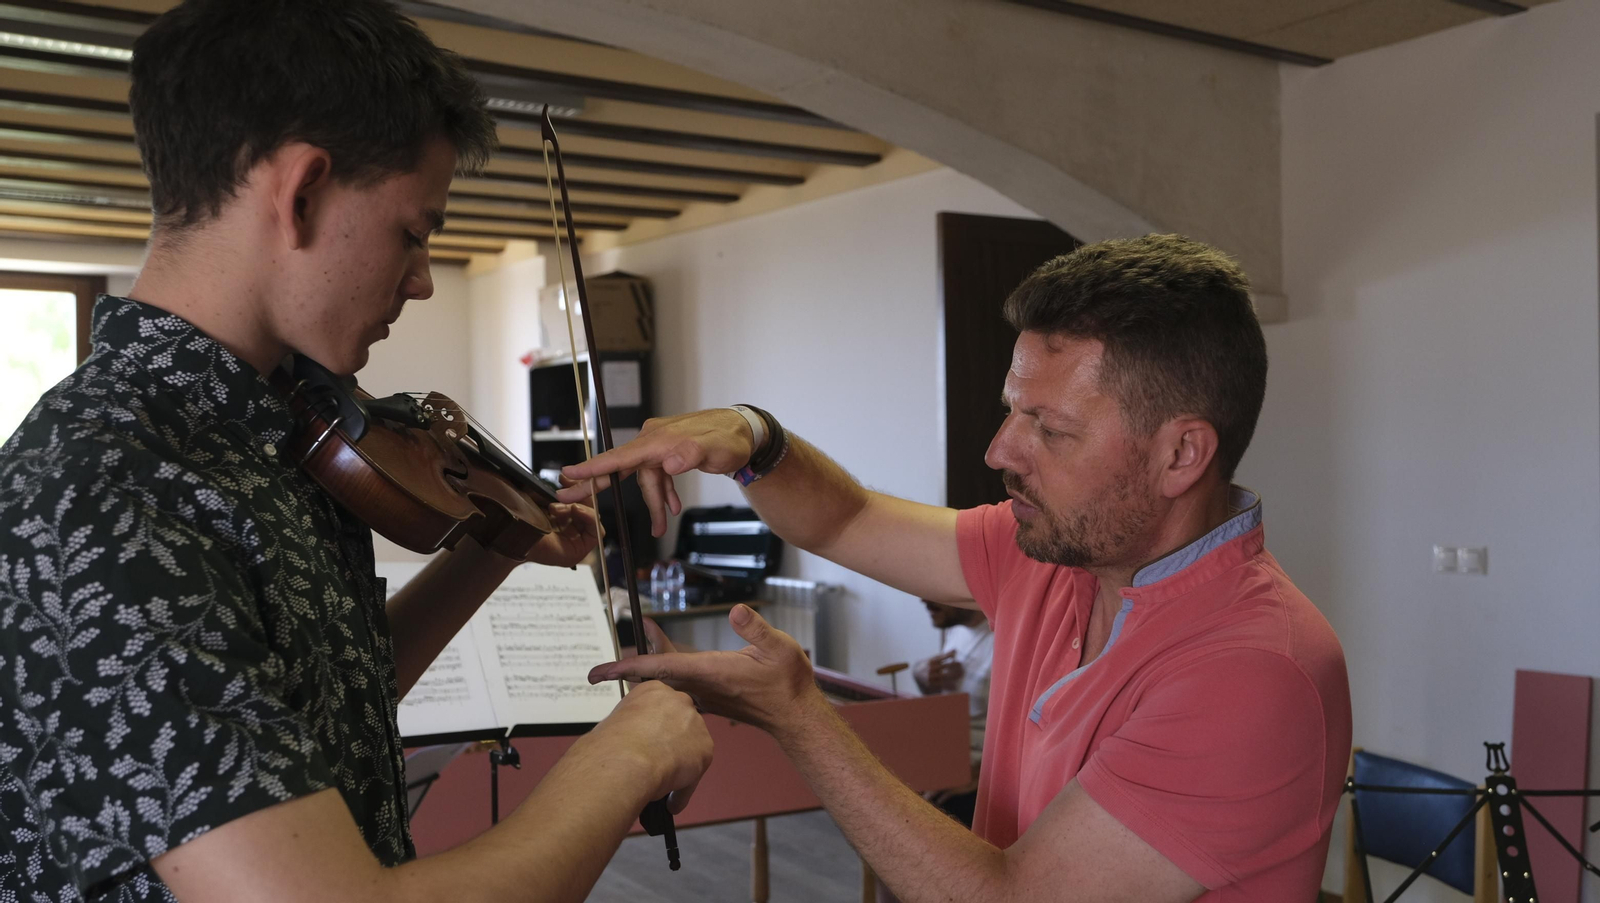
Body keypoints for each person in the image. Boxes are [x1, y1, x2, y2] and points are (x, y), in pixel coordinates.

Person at [0, 2, 711, 901]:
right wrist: (624, 761)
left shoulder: (267, 428)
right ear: (300, 193)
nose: (418, 278)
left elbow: (331, 696)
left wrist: (494, 540)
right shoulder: (109, 490)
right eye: (413, 232)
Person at [568, 234, 1353, 903]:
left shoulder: (1255, 669)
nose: (1000, 451)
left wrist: (798, 712)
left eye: (1048, 428)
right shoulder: (1058, 552)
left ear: (1181, 453)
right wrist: (751, 436)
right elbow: (846, 518)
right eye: (1013, 408)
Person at [912, 601, 993, 826]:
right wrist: (923, 679)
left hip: (981, 777)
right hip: (948, 760)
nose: (922, 598)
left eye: (934, 588)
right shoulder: (955, 629)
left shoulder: (1003, 638)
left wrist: (980, 777)